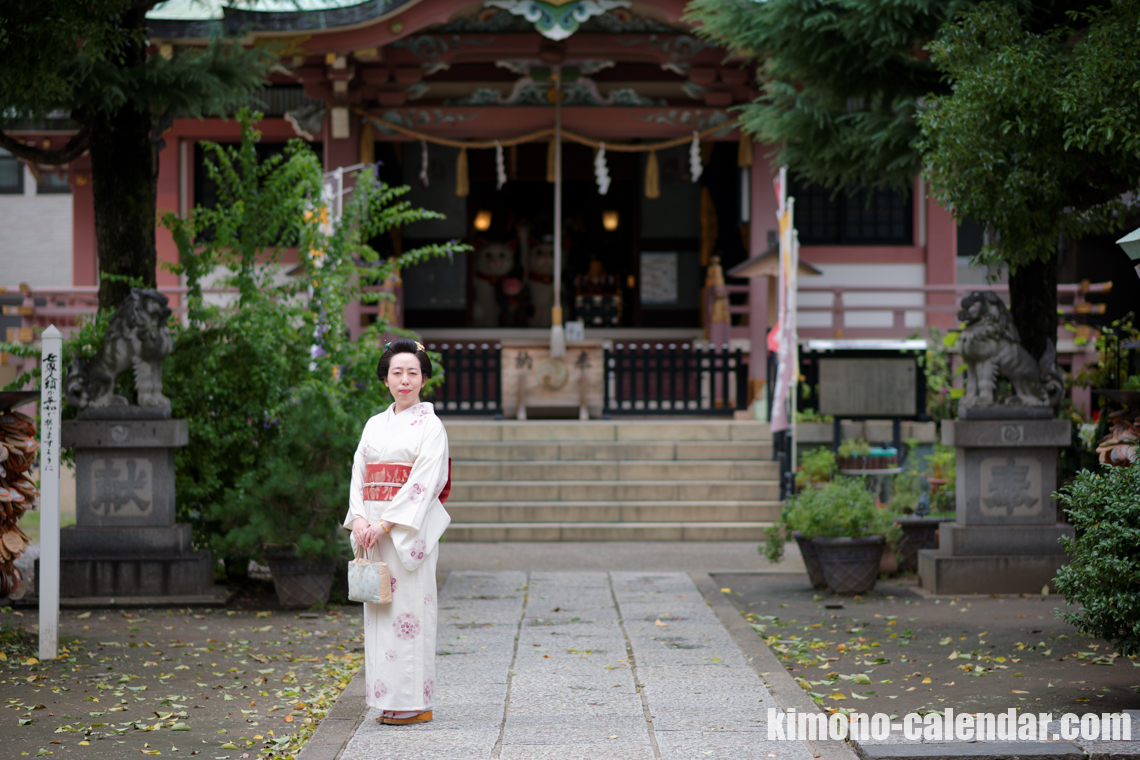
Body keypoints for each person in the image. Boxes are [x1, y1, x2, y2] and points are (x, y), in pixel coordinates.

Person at [345, 338, 452, 725]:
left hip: (405, 531)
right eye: (397, 372)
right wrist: (359, 519)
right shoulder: (375, 423)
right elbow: (359, 473)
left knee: (408, 612)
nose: (404, 379)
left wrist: (386, 523)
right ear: (385, 379)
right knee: (379, 613)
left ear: (424, 378)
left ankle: (413, 701)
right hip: (372, 529)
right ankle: (385, 697)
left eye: (412, 372)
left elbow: (426, 480)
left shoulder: (431, 426)